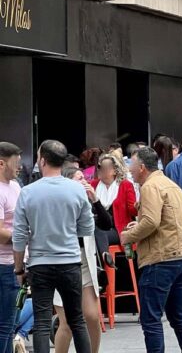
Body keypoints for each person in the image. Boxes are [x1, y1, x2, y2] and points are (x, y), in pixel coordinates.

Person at [12, 140, 94, 353]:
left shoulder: (28, 192)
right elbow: (87, 227)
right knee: (77, 320)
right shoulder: (77, 190)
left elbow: (20, 235)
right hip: (70, 262)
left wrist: (19, 268)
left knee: (41, 322)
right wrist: (66, 232)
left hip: (40, 264)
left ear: (42, 160)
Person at [121, 147, 182, 352]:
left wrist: (128, 235)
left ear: (142, 167)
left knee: (151, 319)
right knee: (178, 316)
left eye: (132, 165)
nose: (130, 170)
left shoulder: (150, 186)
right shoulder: (171, 184)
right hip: (180, 254)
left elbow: (150, 222)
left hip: (161, 257)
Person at [55, 166, 114, 353]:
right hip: (62, 262)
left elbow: (106, 224)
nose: (84, 182)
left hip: (85, 261)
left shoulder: (88, 203)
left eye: (84, 178)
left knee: (92, 316)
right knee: (67, 323)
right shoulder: (59, 203)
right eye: (79, 178)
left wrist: (95, 199)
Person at [0, 142, 21, 353]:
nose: (19, 167)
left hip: (14, 263)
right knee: (5, 325)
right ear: (1, 164)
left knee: (9, 324)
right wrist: (22, 239)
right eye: (15, 163)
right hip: (4, 265)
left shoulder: (15, 186)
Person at [90, 152, 137, 247]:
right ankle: (104, 259)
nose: (101, 169)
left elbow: (133, 211)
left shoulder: (125, 185)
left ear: (115, 171)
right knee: (93, 234)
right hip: (98, 226)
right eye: (99, 166)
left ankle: (106, 261)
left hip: (118, 229)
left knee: (99, 234)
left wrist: (140, 204)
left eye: (105, 167)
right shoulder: (93, 185)